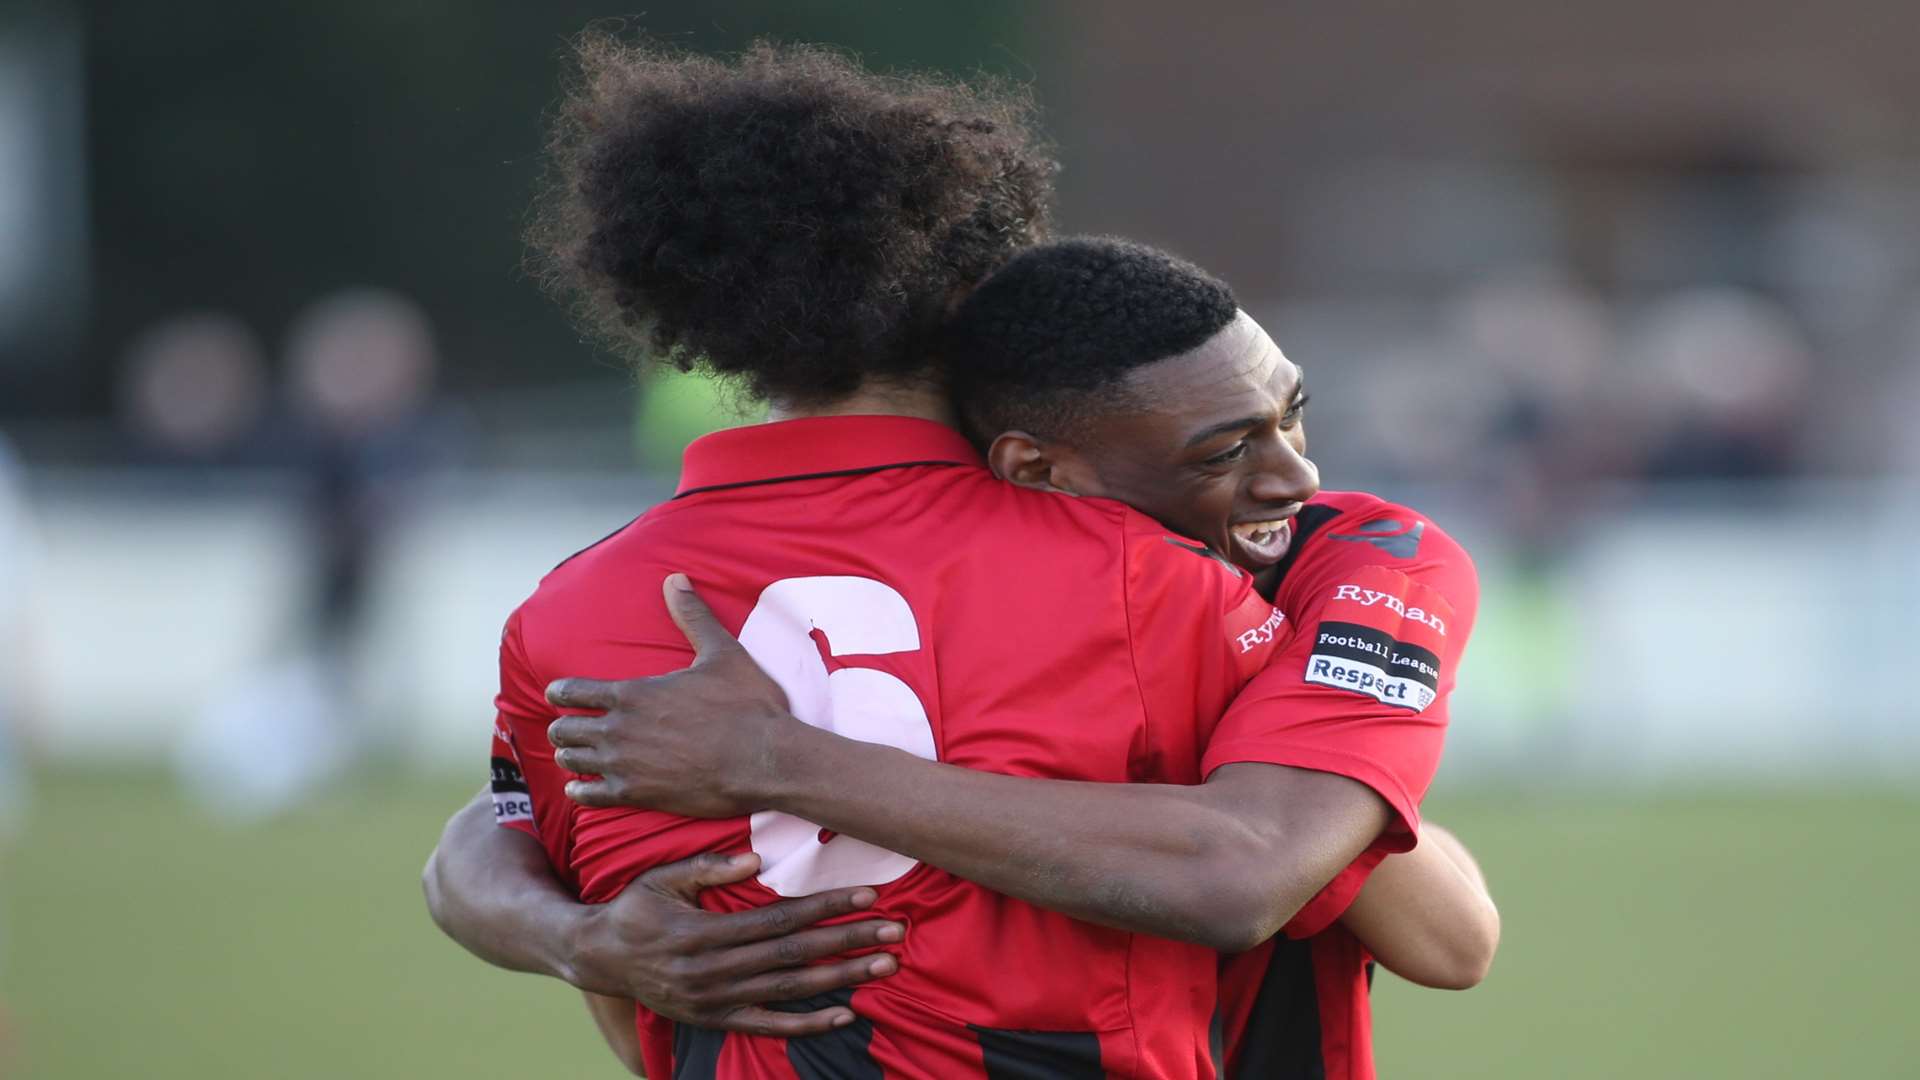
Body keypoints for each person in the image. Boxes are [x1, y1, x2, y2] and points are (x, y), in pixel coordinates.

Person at [423, 38, 1486, 1079]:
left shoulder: (573, 617)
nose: (1287, 476)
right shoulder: (1161, 580)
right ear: (973, 290)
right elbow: (1425, 929)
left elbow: (554, 904)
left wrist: (577, 937)